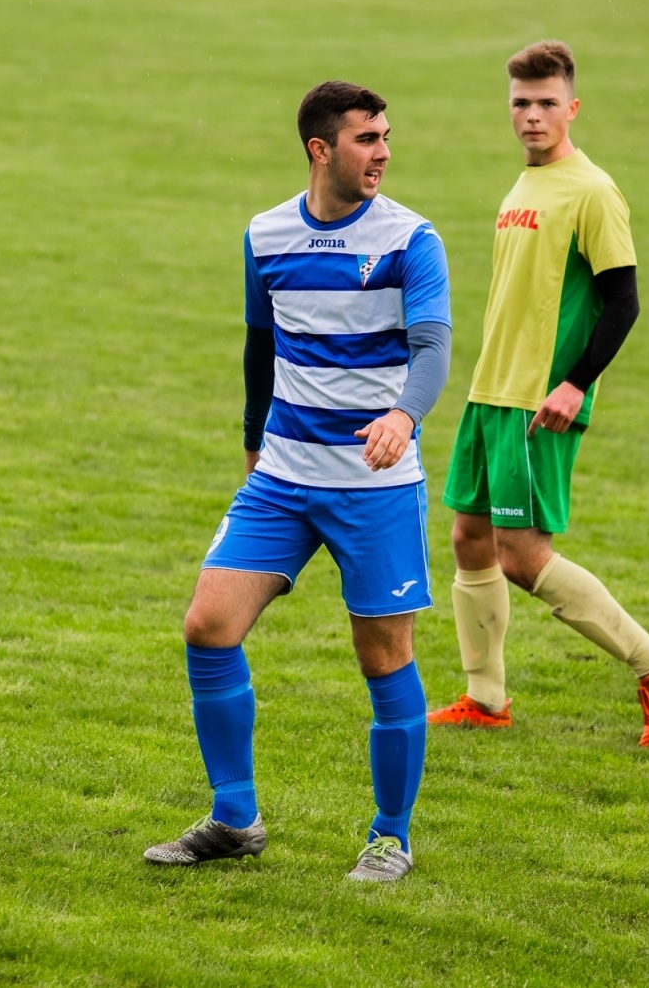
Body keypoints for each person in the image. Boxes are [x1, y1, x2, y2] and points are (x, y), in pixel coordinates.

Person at [143, 82, 452, 882]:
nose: (383, 151)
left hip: (376, 485)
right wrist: (252, 441)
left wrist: (403, 417)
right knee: (209, 624)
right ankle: (236, 818)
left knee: (383, 655)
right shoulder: (266, 233)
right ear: (321, 149)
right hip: (282, 476)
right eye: (366, 139)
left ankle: (391, 838)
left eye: (387, 136)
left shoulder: (411, 239)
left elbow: (432, 351)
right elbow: (258, 345)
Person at [427, 41, 649, 746]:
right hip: (493, 392)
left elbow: (624, 301)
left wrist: (576, 384)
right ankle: (485, 699)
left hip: (537, 403)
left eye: (547, 102)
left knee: (520, 554)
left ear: (572, 108)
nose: (532, 115)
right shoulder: (523, 186)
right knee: (470, 537)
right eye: (521, 102)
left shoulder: (592, 190)